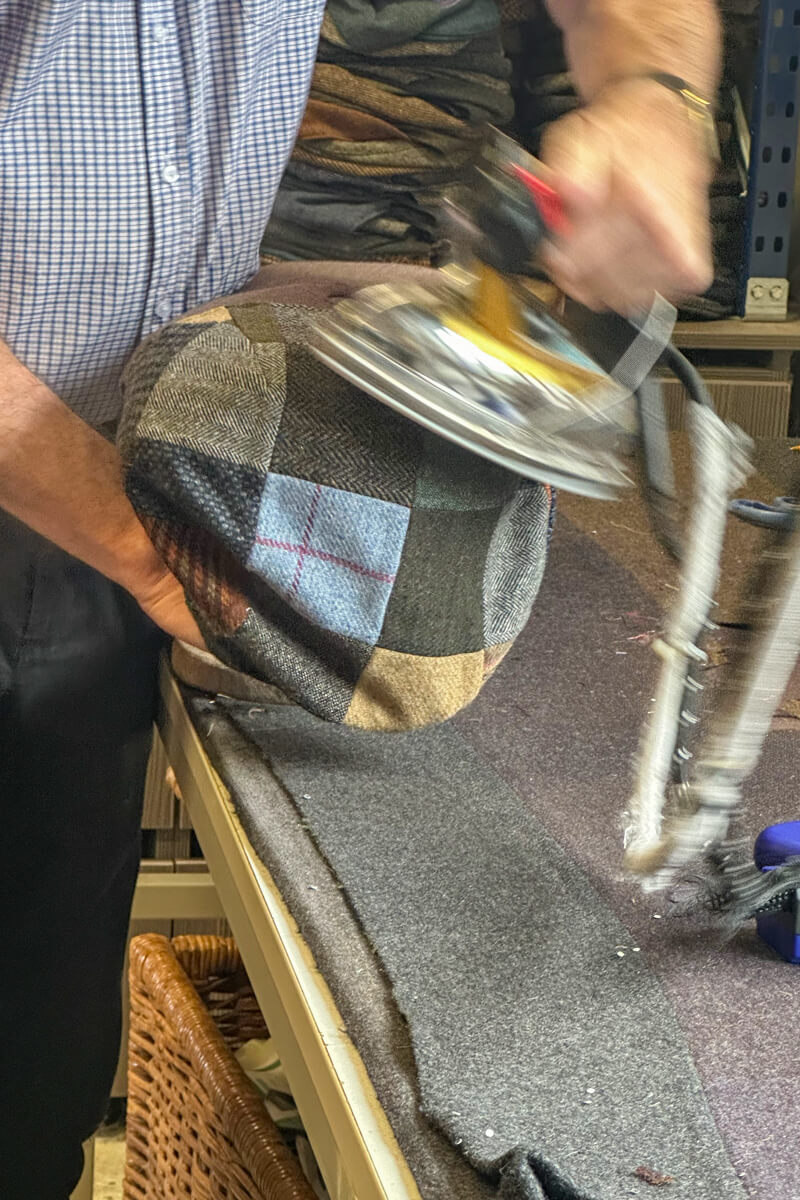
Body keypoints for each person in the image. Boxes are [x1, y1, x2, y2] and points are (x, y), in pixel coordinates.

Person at [0, 1, 720, 1195]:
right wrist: (143, 549)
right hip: (73, 495)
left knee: (29, 1085)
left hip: (86, 494)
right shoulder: (132, 539)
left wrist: (651, 91)